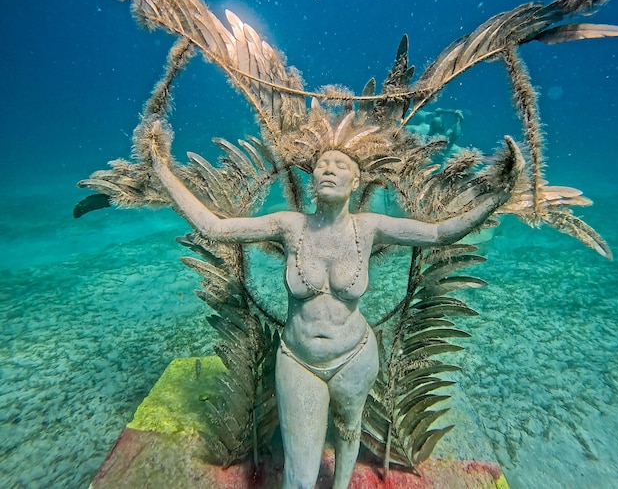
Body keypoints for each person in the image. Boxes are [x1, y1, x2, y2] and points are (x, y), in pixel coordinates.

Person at [149, 125, 509, 489]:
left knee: (348, 431)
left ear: (355, 183)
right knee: (299, 476)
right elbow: (215, 227)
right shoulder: (290, 226)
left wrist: (498, 196)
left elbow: (437, 234)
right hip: (299, 359)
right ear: (312, 181)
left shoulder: (369, 227)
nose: (329, 169)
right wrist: (163, 171)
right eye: (322, 165)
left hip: (355, 356)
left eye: (340, 165)